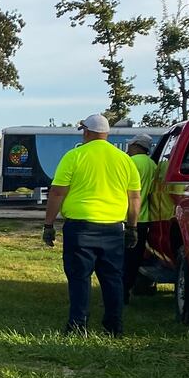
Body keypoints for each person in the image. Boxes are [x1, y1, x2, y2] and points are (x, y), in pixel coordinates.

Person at [42, 114, 141, 336]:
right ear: (105, 134)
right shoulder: (125, 160)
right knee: (112, 279)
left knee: (79, 278)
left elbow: (58, 192)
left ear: (86, 132)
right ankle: (114, 327)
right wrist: (133, 227)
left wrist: (49, 224)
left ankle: (78, 327)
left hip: (80, 227)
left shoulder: (74, 156)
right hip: (114, 227)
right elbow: (134, 197)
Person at [123, 136, 159, 301]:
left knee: (122, 259)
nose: (128, 147)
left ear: (137, 146)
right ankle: (129, 289)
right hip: (144, 218)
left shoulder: (131, 162)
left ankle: (120, 292)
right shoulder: (153, 165)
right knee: (134, 259)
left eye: (130, 144)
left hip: (126, 217)